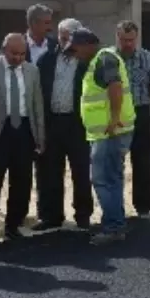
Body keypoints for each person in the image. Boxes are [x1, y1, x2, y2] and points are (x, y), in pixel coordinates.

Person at [0, 33, 45, 241]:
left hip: (23, 130)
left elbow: (37, 105)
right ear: (4, 50)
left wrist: (40, 135)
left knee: (22, 181)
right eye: (14, 53)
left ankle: (13, 224)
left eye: (22, 54)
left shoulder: (32, 71)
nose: (18, 58)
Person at [70, 28, 135, 244]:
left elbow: (115, 87)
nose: (75, 53)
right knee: (113, 179)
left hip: (109, 133)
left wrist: (114, 118)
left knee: (101, 180)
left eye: (76, 48)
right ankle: (116, 224)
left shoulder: (104, 58)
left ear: (88, 44)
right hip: (110, 131)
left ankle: (113, 227)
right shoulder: (97, 61)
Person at [34, 18, 93, 231]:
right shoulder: (45, 60)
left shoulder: (88, 61)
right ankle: (51, 216)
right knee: (49, 171)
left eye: (71, 38)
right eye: (63, 37)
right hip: (52, 124)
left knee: (81, 171)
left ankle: (83, 215)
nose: (67, 42)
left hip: (78, 125)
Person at [116, 20, 150, 216]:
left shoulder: (146, 58)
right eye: (124, 40)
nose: (128, 44)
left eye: (131, 40)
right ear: (117, 37)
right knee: (116, 163)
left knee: (142, 162)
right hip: (116, 115)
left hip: (141, 112)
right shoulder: (108, 58)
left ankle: (143, 208)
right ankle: (115, 209)